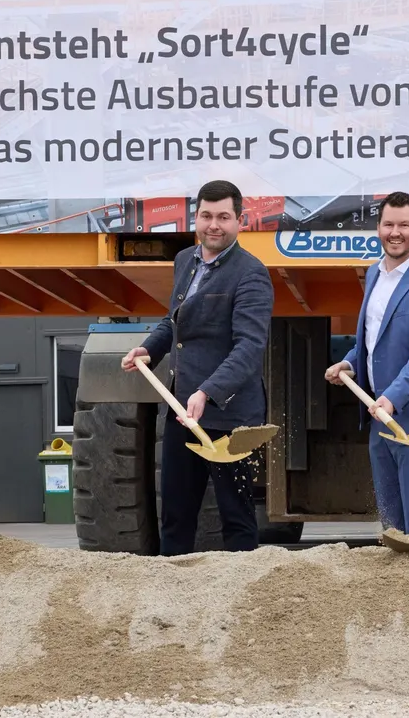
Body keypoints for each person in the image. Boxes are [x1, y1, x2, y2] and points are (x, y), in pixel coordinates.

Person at [122, 180, 275, 556]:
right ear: (196, 218)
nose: (214, 225)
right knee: (175, 514)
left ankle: (243, 598)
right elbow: (175, 321)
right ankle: (173, 597)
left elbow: (249, 348)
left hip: (232, 417)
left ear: (240, 221)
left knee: (236, 518)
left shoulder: (252, 274)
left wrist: (207, 391)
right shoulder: (185, 261)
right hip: (182, 411)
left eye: (224, 217)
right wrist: (148, 349)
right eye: (206, 215)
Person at [324, 192, 409, 544]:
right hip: (382, 419)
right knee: (393, 528)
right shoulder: (374, 274)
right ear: (378, 228)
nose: (395, 232)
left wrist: (392, 399)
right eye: (388, 224)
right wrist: (350, 362)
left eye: (404, 225)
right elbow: (374, 338)